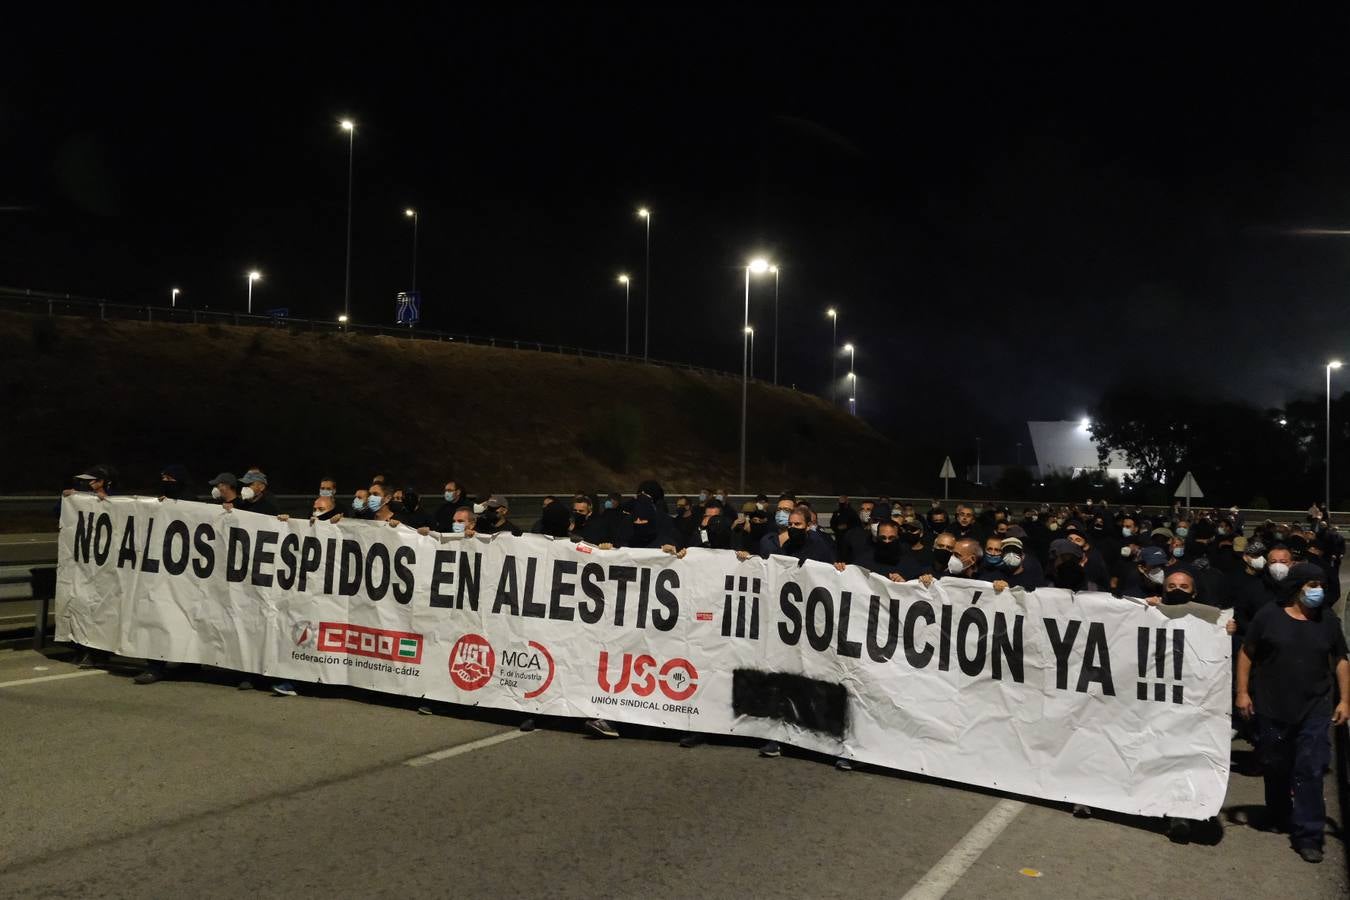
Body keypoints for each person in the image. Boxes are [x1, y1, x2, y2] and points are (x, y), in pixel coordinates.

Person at [1237, 561, 1350, 863]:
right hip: (1273, 705)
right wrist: (1243, 692)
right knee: (1276, 764)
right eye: (1313, 585)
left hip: (1314, 706)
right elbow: (1247, 652)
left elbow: (1340, 659)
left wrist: (1345, 700)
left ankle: (1308, 834)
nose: (1319, 591)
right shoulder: (1269, 616)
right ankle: (1278, 813)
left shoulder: (1327, 621)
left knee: (1310, 769)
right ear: (1296, 588)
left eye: (1322, 585)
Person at [744, 507, 835, 564]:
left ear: (808, 526)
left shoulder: (819, 545)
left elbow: (829, 568)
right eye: (790, 524)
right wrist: (750, 558)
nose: (793, 527)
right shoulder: (787, 545)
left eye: (797, 524)